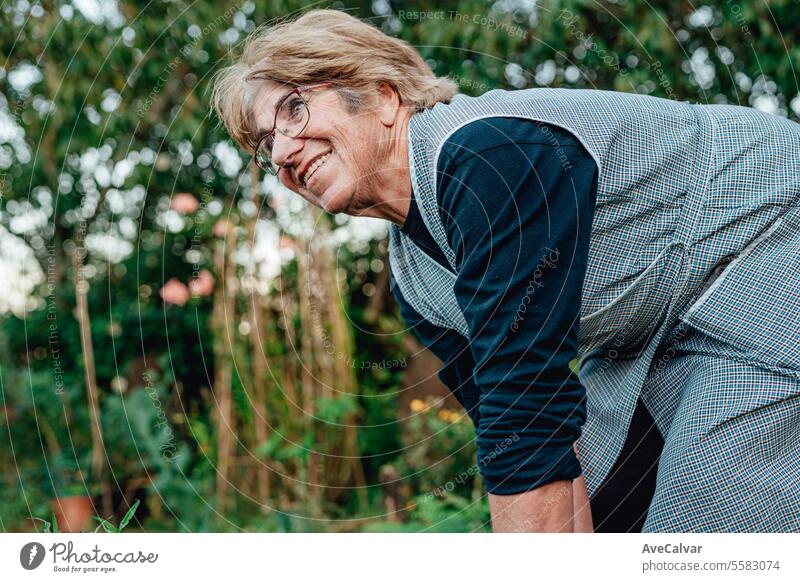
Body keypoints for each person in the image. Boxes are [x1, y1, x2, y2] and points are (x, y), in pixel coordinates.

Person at [211, 9, 800, 532]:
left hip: (768, 242)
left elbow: (526, 405)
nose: (283, 155)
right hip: (657, 330)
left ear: (385, 97)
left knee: (707, 515)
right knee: (610, 504)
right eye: (266, 146)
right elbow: (522, 431)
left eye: (293, 108)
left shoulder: (490, 158)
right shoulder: (416, 281)